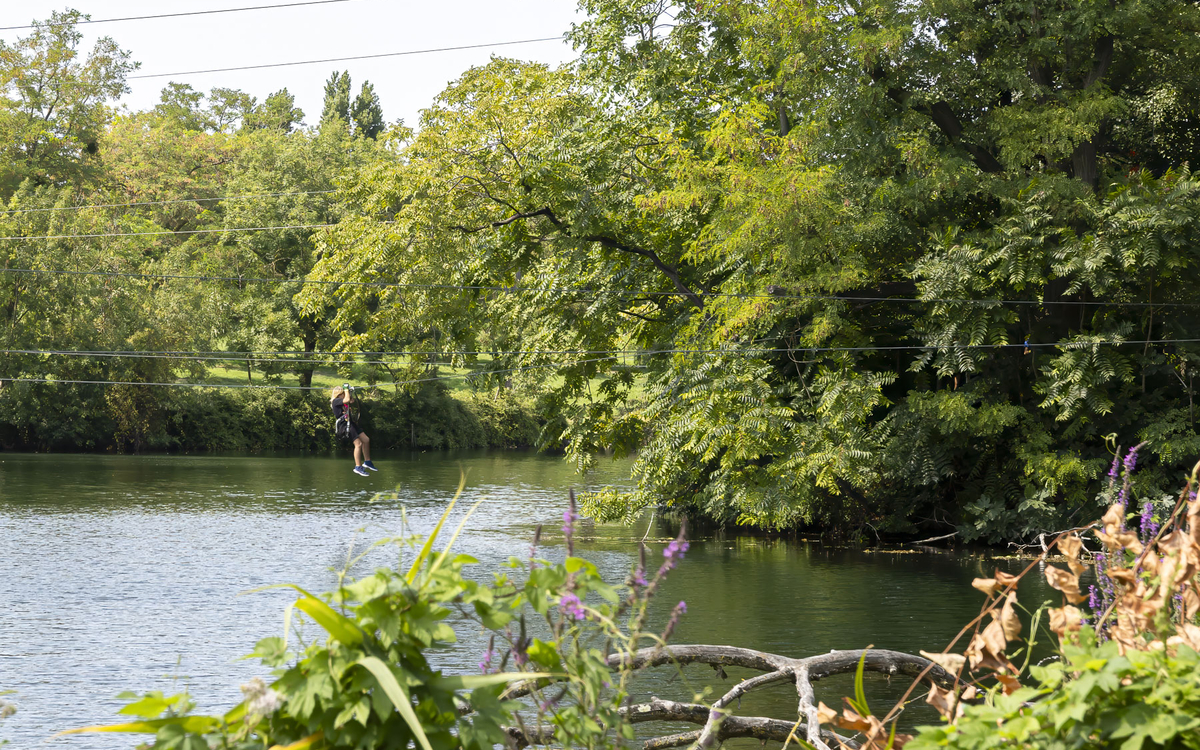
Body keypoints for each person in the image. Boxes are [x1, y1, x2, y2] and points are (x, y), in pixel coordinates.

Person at [331, 385, 377, 477]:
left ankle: (367, 461)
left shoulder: (342, 401)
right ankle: (358, 467)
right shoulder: (335, 401)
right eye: (343, 394)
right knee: (358, 444)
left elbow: (351, 400)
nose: (345, 395)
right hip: (344, 425)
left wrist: (350, 392)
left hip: (351, 423)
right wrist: (346, 389)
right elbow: (347, 400)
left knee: (366, 440)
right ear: (339, 394)